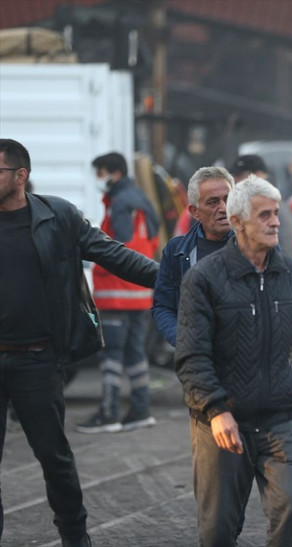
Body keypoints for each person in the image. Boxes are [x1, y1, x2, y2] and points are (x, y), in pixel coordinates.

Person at [0, 138, 157, 546]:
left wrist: (172, 278)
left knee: (55, 459)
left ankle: (75, 536)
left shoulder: (58, 216)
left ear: (20, 176)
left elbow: (114, 254)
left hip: (37, 360)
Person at [175, 175, 292, 547]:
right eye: (264, 215)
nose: (274, 222)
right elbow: (192, 354)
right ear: (237, 222)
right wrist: (216, 409)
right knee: (218, 529)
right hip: (222, 423)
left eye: (276, 214)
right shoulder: (203, 279)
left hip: (280, 421)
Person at [75, 152, 160, 433]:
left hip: (116, 291)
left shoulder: (120, 204)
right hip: (140, 293)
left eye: (100, 173)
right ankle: (140, 409)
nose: (99, 179)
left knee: (110, 354)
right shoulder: (142, 199)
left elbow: (117, 250)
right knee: (136, 353)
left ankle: (109, 411)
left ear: (115, 173)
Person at [151, 166, 234, 347]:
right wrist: (183, 341)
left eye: (228, 199)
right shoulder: (177, 251)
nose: (223, 208)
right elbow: (163, 307)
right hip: (198, 362)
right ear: (195, 212)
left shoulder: (254, 247)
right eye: (213, 202)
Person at [230, 154, 292, 258]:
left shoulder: (276, 203)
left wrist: (282, 270)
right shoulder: (239, 200)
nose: (236, 180)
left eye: (241, 175)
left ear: (259, 175)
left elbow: (287, 243)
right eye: (235, 176)